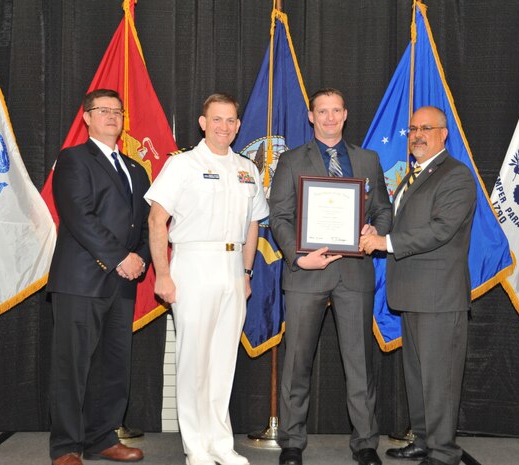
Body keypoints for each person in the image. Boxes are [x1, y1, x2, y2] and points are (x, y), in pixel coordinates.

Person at [269, 88, 392, 465]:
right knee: (297, 362)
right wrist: (297, 256)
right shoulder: (291, 161)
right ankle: (292, 442)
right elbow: (280, 217)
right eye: (322, 111)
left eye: (335, 110)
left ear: (345, 114)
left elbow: (383, 211)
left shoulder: (367, 160)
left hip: (354, 274)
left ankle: (366, 442)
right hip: (306, 273)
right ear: (311, 116)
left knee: (359, 362)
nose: (329, 117)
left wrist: (373, 234)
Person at [145, 93, 269, 465]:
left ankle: (220, 443)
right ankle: (195, 446)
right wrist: (163, 274)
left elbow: (253, 225)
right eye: (217, 119)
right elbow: (156, 221)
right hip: (193, 265)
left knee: (222, 361)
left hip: (232, 268)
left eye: (231, 120)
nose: (224, 127)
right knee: (194, 359)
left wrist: (246, 274)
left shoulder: (247, 168)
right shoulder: (182, 164)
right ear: (203, 122)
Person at [359, 106, 476, 465]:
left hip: (439, 296)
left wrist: (386, 244)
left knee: (439, 380)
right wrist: (376, 232)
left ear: (444, 133)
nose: (417, 134)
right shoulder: (414, 175)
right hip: (412, 293)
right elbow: (404, 223)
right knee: (419, 377)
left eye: (426, 128)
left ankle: (443, 453)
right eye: (412, 129)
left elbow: (440, 230)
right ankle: (424, 440)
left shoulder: (456, 176)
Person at [46, 89, 149, 465]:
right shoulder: (73, 159)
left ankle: (102, 438)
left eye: (117, 111)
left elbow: (149, 224)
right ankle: (67, 447)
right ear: (86, 117)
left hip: (123, 282)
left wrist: (140, 257)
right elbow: (79, 216)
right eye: (102, 110)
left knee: (114, 366)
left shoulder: (137, 169)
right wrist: (121, 257)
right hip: (80, 282)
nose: (111, 116)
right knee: (73, 368)